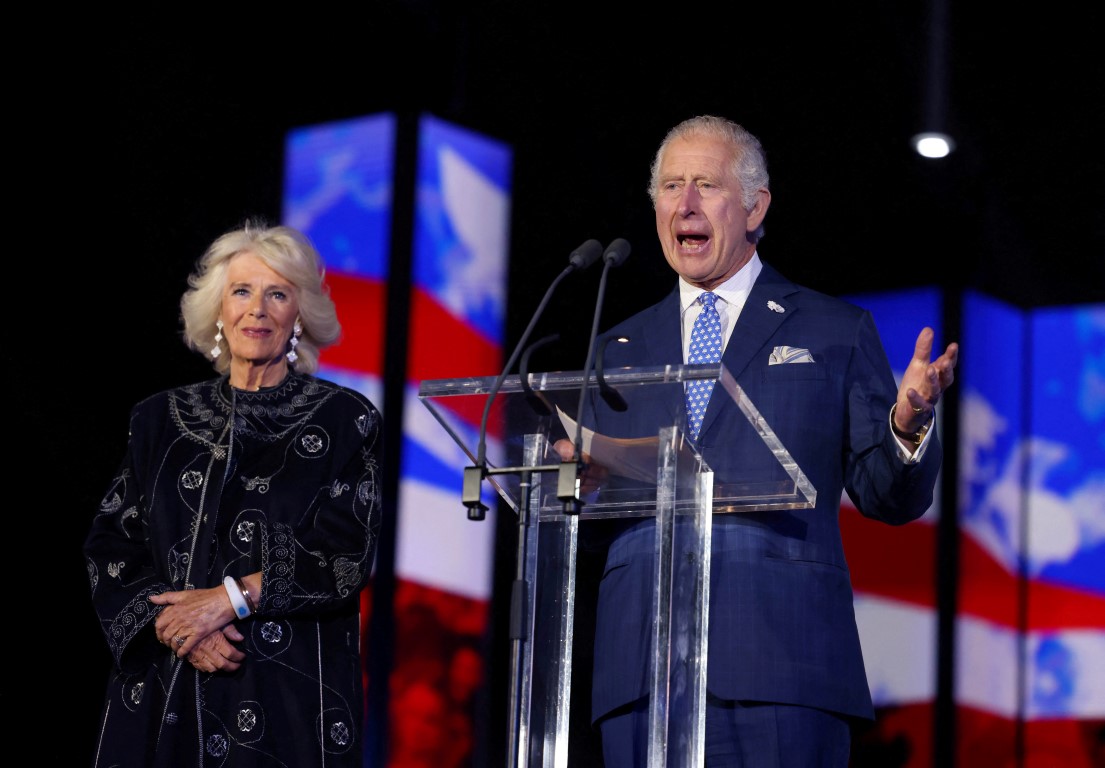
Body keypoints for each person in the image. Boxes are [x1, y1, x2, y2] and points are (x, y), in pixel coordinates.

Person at [555, 115, 959, 766]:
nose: (682, 204)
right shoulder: (617, 346)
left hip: (783, 669)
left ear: (753, 205)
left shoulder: (831, 329)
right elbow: (588, 527)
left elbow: (888, 496)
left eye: (704, 185)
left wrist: (906, 426)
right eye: (669, 186)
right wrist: (573, 483)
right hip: (639, 676)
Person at [83, 219, 384, 767]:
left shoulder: (346, 419)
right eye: (242, 291)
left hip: (283, 692)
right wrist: (181, 632)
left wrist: (229, 599)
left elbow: (345, 556)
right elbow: (112, 546)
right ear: (218, 309)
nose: (258, 309)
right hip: (162, 685)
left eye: (277, 294)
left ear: (299, 314)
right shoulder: (157, 421)